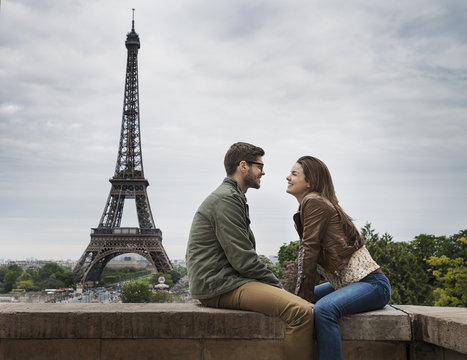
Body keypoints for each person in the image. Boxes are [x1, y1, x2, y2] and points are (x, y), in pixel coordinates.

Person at [186, 142, 314, 360]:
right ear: (243, 166)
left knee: (302, 306)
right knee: (301, 312)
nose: (263, 171)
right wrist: (279, 288)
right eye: (259, 166)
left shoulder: (231, 196)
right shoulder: (227, 199)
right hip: (220, 285)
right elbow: (243, 259)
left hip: (223, 282)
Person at [286, 155, 391, 360]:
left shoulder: (313, 201)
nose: (287, 177)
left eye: (294, 174)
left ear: (310, 182)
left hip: (373, 284)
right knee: (290, 300)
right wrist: (301, 297)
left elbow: (309, 250)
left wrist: (303, 298)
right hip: (349, 284)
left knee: (323, 310)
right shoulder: (311, 204)